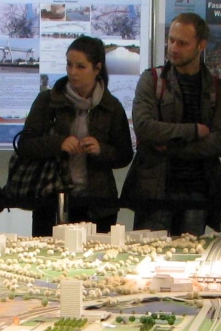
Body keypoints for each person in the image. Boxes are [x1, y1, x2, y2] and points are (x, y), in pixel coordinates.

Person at [125, 13, 221, 236]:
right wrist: (193, 131)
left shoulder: (217, 89)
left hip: (198, 191)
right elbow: (144, 127)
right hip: (155, 189)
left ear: (201, 45)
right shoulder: (152, 80)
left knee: (190, 255)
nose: (173, 48)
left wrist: (171, 146)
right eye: (171, 40)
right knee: (147, 253)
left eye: (182, 43)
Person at [14, 36, 133, 236]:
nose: (72, 72)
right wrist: (58, 143)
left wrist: (100, 150)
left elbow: (124, 155)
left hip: (97, 202)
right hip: (51, 199)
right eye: (69, 64)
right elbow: (25, 145)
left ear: (97, 68)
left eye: (80, 66)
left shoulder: (111, 107)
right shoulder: (47, 101)